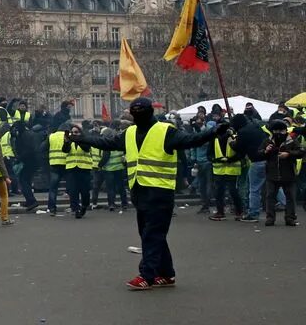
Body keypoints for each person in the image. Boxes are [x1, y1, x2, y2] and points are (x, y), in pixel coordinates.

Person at [71, 97, 220, 290]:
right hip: (139, 190)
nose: (137, 116)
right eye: (135, 113)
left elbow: (191, 140)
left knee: (152, 233)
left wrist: (213, 132)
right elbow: (107, 142)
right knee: (150, 233)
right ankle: (166, 274)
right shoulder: (129, 133)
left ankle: (147, 275)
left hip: (160, 190)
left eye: (140, 112)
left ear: (150, 112)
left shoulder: (166, 131)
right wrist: (84, 139)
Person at [259, 120, 301, 227]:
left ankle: (290, 218)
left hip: (288, 173)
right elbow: (258, 153)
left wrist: (288, 154)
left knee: (290, 196)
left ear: (285, 130)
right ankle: (270, 218)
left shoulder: (291, 140)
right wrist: (265, 151)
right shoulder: (268, 141)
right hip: (272, 174)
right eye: (276, 130)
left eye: (281, 130)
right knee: (270, 196)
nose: (278, 133)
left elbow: (301, 151)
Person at [209, 123, 244, 221]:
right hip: (219, 169)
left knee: (233, 191)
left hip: (231, 169)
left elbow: (240, 153)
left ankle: (239, 211)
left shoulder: (234, 137)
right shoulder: (214, 138)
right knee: (219, 192)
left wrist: (230, 159)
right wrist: (216, 159)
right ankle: (221, 212)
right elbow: (210, 154)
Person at [63, 124, 94, 219]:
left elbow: (86, 148)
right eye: (72, 132)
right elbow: (65, 150)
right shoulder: (70, 142)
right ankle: (76, 209)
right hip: (72, 169)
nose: (73, 134)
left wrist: (78, 140)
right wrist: (67, 142)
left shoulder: (85, 141)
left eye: (76, 132)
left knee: (85, 192)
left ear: (80, 133)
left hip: (84, 169)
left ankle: (84, 206)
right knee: (73, 191)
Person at [47, 123, 69, 215]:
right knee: (72, 186)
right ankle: (73, 207)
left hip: (54, 164)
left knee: (53, 188)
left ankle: (52, 209)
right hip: (67, 164)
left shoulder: (51, 136)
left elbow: (42, 147)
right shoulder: (68, 136)